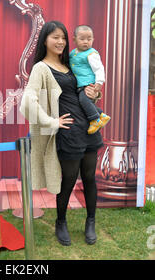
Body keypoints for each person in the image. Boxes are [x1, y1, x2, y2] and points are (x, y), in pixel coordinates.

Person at [20, 21, 103, 246]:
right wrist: (51, 121)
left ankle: (91, 222)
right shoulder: (41, 68)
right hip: (68, 133)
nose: (60, 42)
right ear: (45, 40)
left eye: (63, 38)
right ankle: (61, 222)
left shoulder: (71, 63)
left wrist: (93, 93)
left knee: (89, 178)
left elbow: (85, 93)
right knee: (67, 180)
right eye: (55, 37)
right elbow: (27, 102)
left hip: (88, 128)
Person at [70, 25, 110, 134]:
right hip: (80, 84)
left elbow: (99, 68)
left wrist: (99, 82)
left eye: (89, 39)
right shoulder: (73, 53)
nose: (86, 42)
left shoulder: (91, 54)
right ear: (74, 39)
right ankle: (101, 114)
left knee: (84, 100)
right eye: (82, 39)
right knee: (83, 102)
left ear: (93, 39)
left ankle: (95, 119)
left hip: (88, 84)